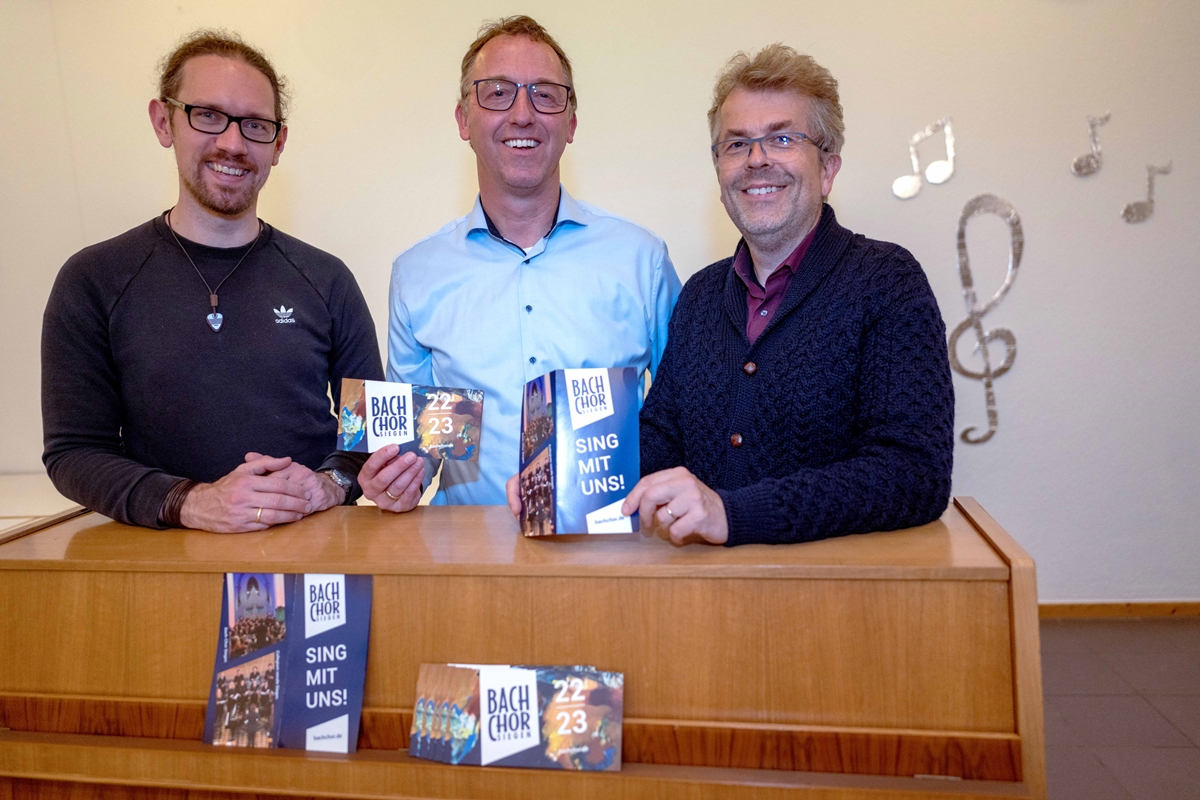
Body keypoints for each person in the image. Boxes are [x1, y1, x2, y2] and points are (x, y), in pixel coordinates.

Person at [41, 30, 383, 532]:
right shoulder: (93, 280)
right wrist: (193, 502)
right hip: (163, 565)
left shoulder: (326, 279)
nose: (232, 142)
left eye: (255, 125)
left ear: (278, 143)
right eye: (207, 116)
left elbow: (370, 435)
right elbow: (73, 453)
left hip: (313, 561)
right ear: (164, 122)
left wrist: (328, 485)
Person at [620, 44, 954, 546]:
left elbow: (913, 473)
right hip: (700, 596)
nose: (757, 159)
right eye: (736, 144)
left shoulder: (888, 281)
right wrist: (562, 483)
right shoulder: (701, 296)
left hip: (835, 603)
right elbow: (660, 439)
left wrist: (734, 513)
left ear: (829, 168)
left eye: (782, 138)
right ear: (718, 170)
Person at [360, 15, 681, 510]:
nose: (523, 114)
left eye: (546, 94)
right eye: (497, 92)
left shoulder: (642, 261)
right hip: (472, 570)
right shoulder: (416, 274)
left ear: (571, 123)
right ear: (464, 119)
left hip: (612, 563)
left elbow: (683, 415)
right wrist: (397, 478)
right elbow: (415, 450)